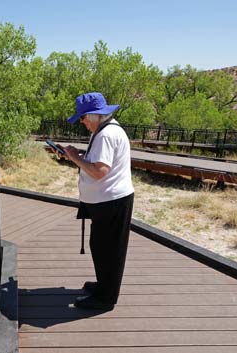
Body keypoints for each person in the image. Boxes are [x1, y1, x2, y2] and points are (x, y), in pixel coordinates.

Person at [52, 92, 134, 309]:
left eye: (82, 117)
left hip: (111, 201)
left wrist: (74, 157)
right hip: (109, 201)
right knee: (102, 246)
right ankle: (104, 287)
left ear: (95, 115)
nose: (82, 122)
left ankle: (105, 298)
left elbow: (100, 171)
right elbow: (97, 163)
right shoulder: (104, 131)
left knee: (107, 249)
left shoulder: (105, 135)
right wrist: (75, 156)